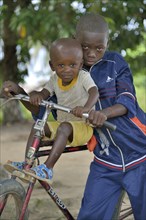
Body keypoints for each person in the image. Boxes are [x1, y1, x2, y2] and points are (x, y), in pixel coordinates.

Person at [74, 13, 146, 220]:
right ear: (75, 39)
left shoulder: (116, 63)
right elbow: (52, 103)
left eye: (99, 48)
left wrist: (103, 114)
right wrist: (24, 94)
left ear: (107, 43)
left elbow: (127, 100)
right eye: (85, 46)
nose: (91, 53)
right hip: (105, 162)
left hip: (140, 154)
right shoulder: (70, 70)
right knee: (89, 216)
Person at [2, 38, 99, 182]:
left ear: (81, 64)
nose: (67, 70)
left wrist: (85, 108)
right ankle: (27, 163)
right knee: (38, 127)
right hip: (63, 125)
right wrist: (37, 96)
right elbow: (44, 94)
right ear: (52, 66)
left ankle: (47, 168)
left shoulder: (83, 77)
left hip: (83, 126)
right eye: (61, 65)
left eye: (72, 65)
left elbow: (94, 92)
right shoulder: (54, 80)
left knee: (64, 127)